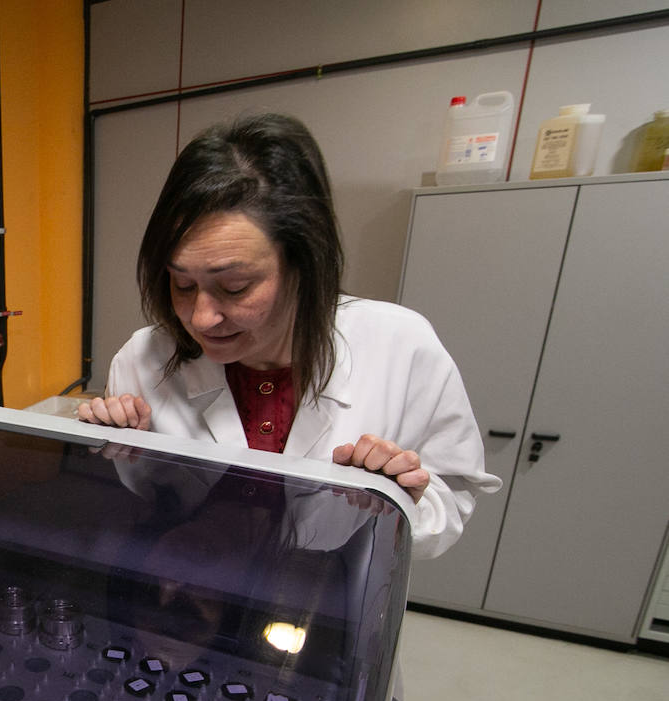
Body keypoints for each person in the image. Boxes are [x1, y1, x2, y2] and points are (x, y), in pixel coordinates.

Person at [78, 113, 499, 559]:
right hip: (192, 583)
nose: (201, 318)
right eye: (182, 284)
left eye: (235, 286)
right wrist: (124, 454)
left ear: (303, 265)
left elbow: (451, 496)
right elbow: (148, 501)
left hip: (332, 600)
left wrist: (397, 502)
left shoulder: (401, 345)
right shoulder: (143, 358)